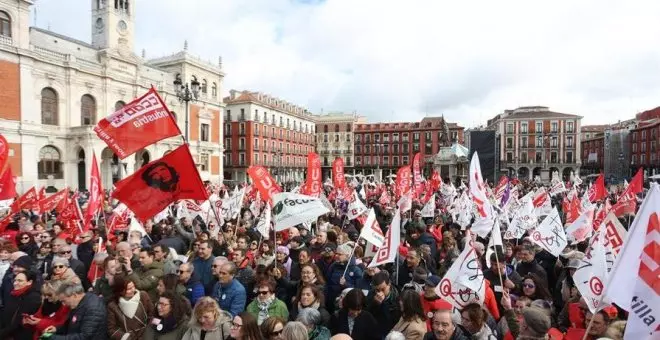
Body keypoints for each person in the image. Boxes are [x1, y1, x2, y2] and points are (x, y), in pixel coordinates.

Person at [43, 280, 108, 340]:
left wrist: (55, 338)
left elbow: (85, 337)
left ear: (74, 295)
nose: (64, 304)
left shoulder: (93, 308)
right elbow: (71, 324)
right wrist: (56, 329)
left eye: (64, 301)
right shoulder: (77, 304)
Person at [0, 270, 42, 339]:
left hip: (20, 335)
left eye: (20, 281)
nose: (15, 283)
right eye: (15, 280)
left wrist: (2, 333)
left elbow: (19, 321)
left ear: (29, 282)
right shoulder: (14, 294)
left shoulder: (33, 298)